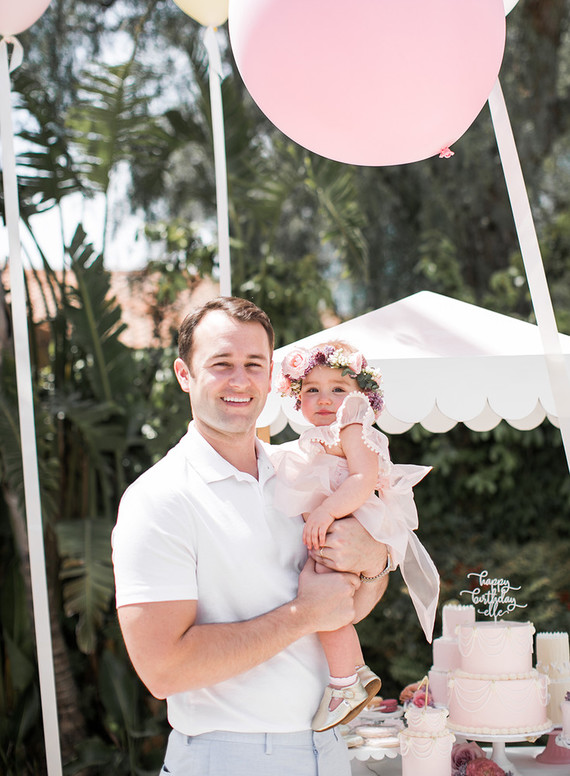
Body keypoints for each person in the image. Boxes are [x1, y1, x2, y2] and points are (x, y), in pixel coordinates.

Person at [112, 297, 391, 776]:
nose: (240, 381)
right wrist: (304, 615)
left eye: (253, 365)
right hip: (228, 757)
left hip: (329, 749)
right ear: (184, 374)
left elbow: (349, 603)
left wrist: (374, 560)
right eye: (221, 364)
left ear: (270, 377)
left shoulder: (303, 472)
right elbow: (162, 670)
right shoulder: (158, 499)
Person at [274, 340, 440, 732]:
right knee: (322, 599)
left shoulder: (351, 423)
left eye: (338, 388)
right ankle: (355, 672)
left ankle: (344, 684)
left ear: (360, 397)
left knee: (319, 596)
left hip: (353, 518)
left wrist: (327, 511)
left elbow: (364, 477)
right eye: (311, 389)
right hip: (337, 523)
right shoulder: (318, 438)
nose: (324, 398)